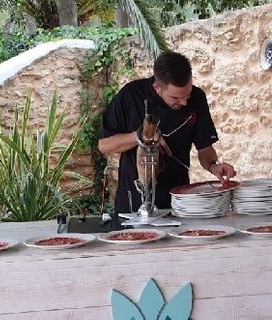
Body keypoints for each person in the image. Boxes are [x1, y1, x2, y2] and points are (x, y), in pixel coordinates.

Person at [98, 51, 236, 214]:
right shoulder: (131, 95)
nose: (184, 102)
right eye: (175, 98)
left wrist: (213, 166)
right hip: (133, 203)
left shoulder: (197, 98)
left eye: (187, 94)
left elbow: (205, 147)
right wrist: (142, 136)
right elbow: (104, 145)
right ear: (157, 87)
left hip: (178, 201)